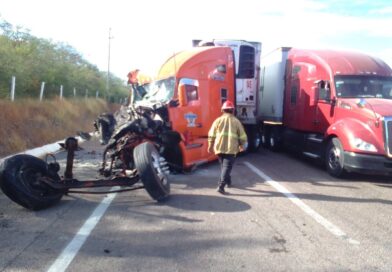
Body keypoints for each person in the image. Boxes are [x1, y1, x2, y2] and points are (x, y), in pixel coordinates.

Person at [208, 100, 248, 194]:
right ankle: (221, 186)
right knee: (226, 167)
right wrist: (242, 145)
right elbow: (242, 136)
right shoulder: (236, 122)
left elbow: (211, 134)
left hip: (219, 148)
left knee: (224, 166)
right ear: (232, 110)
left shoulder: (218, 120)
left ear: (223, 110)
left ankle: (228, 181)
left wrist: (210, 146)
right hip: (231, 148)